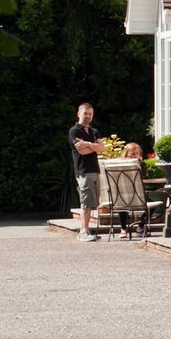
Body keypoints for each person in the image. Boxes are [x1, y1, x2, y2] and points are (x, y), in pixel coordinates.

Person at [68, 103, 102, 240]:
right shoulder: (74, 131)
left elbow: (102, 148)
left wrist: (88, 144)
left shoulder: (94, 131)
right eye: (85, 113)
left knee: (92, 203)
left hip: (95, 170)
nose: (88, 116)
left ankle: (87, 230)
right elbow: (81, 151)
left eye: (90, 114)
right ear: (78, 114)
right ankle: (83, 232)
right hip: (83, 171)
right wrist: (95, 146)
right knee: (86, 202)